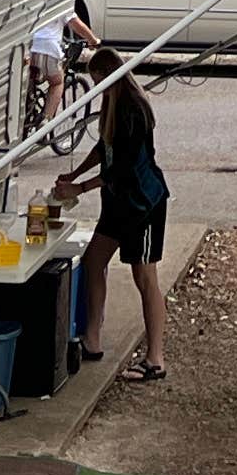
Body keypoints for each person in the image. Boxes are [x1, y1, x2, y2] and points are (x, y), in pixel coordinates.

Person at [55, 53, 171, 382]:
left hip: (142, 204)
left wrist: (79, 187)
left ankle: (156, 359)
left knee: (145, 280)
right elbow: (103, 149)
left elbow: (119, 168)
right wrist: (74, 174)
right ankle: (92, 338)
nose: (95, 86)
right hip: (117, 204)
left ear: (109, 74)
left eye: (96, 79)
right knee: (93, 261)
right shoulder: (111, 102)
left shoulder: (133, 109)